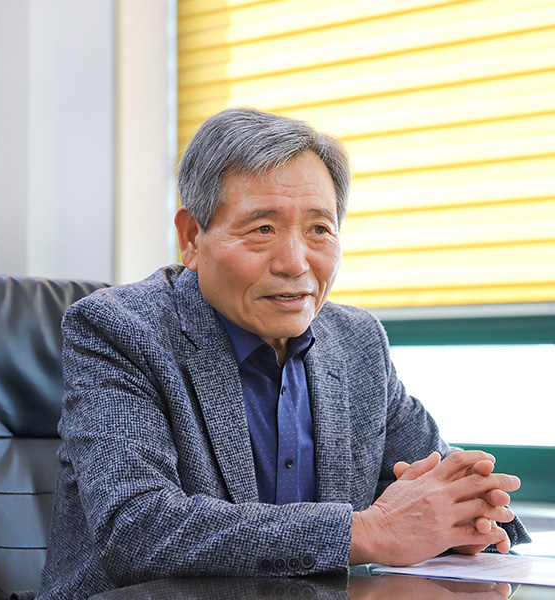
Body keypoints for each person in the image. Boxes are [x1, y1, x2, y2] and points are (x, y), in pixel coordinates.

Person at [27, 108, 529, 600]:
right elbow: (139, 528)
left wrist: (470, 522)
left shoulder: (356, 341)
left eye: (319, 229)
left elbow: (450, 493)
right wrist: (370, 531)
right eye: (262, 229)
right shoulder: (119, 329)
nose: (294, 263)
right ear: (192, 238)